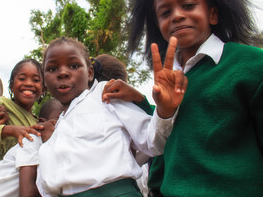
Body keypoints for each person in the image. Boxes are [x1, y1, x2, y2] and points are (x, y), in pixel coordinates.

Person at [128, 0, 263, 196]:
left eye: (188, 5)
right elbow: (163, 154)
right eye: (165, 12)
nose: (178, 16)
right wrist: (161, 111)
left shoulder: (250, 65)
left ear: (212, 13)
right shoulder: (168, 82)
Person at [36, 36, 187, 197]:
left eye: (74, 65)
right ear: (44, 80)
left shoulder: (104, 96)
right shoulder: (54, 132)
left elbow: (153, 140)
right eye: (52, 69)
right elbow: (47, 185)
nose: (63, 73)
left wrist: (165, 110)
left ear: (89, 73)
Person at [0, 98, 64, 197]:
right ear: (41, 124)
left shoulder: (57, 150)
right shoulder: (32, 140)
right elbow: (27, 194)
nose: (66, 126)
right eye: (59, 120)